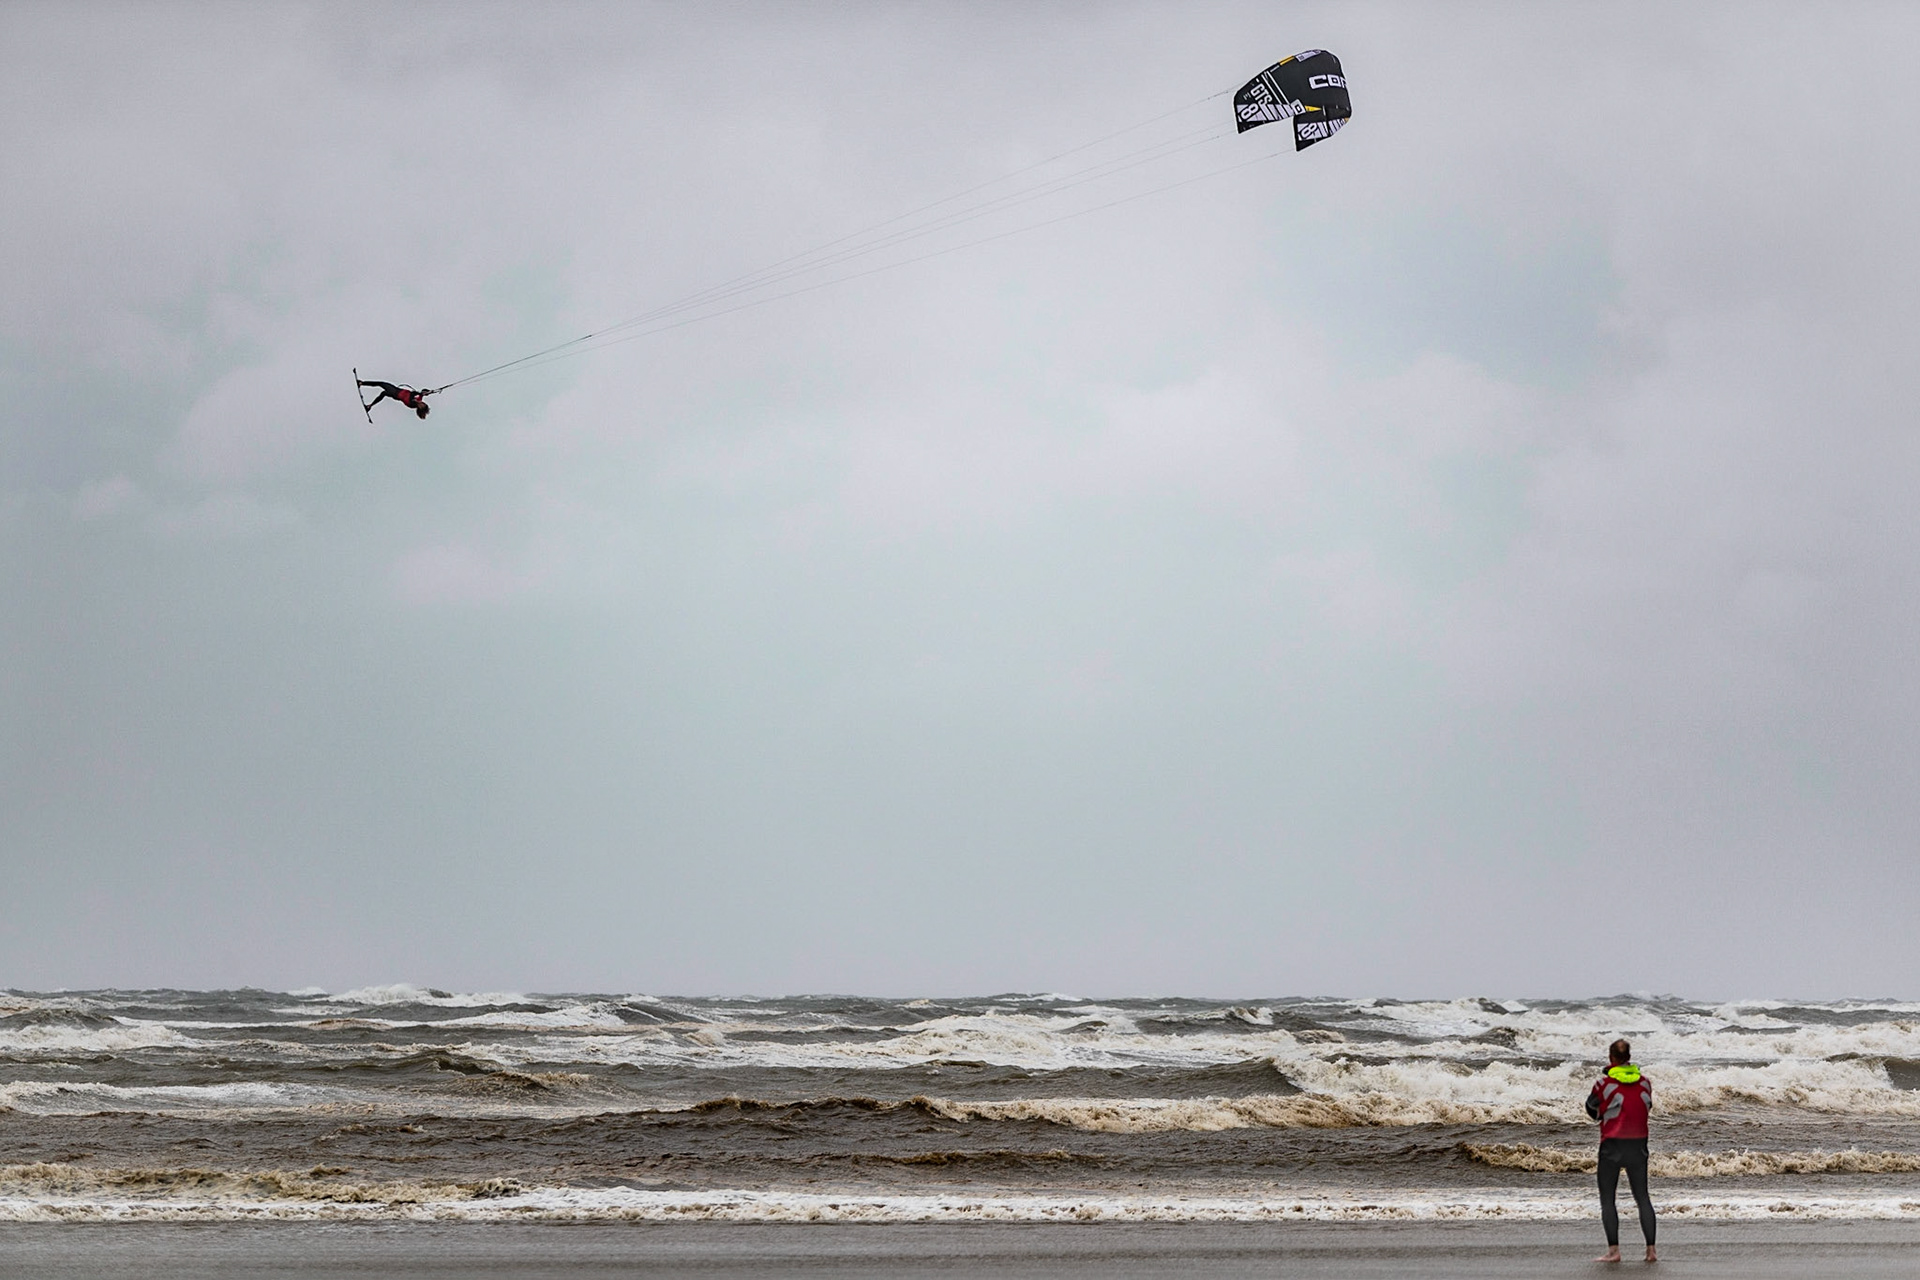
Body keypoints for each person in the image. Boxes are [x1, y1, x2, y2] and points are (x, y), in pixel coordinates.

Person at [1586, 1037, 1656, 1263]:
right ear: (1629, 1058)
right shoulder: (1645, 1082)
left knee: (1608, 1199)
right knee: (1642, 1197)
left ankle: (1614, 1252)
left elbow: (1590, 1107)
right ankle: (1651, 1251)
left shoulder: (1603, 1085)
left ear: (1611, 1058)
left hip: (1612, 1145)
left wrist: (1601, 1116)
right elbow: (1647, 1106)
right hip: (1639, 1145)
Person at [358, 379, 434, 418]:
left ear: (420, 407)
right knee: (381, 384)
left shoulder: (412, 404)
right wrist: (428, 392)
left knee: (383, 391)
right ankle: (361, 383)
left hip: (395, 394)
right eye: (424, 403)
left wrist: (420, 393)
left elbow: (412, 396)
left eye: (423, 405)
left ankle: (369, 406)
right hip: (397, 390)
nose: (423, 402)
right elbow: (422, 391)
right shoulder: (419, 399)